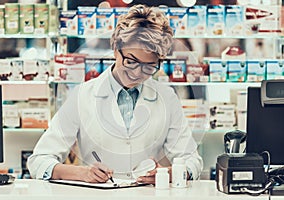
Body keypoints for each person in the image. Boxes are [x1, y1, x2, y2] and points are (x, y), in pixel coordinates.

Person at [28, 4, 203, 184]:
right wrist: (83, 173)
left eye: (149, 66)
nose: (136, 73)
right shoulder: (83, 95)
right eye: (131, 61)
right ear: (115, 48)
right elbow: (39, 161)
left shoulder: (167, 97)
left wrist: (170, 173)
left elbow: (192, 160)